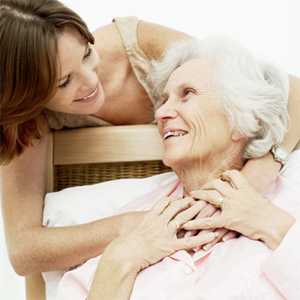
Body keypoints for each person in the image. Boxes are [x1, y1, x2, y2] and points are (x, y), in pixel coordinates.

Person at [0, 0, 300, 278]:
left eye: (87, 54)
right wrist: (136, 226)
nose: (91, 81)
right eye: (65, 81)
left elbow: (290, 91)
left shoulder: (137, 44)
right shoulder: (25, 122)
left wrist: (255, 178)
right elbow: (24, 250)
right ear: (28, 96)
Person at [45, 37, 300, 300]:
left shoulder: (288, 204)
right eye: (163, 100)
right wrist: (120, 261)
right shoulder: (139, 224)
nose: (161, 113)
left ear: (243, 117)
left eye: (187, 94)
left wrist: (269, 223)